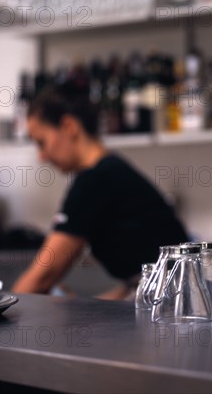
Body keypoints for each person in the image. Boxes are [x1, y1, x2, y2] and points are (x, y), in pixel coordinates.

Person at [11, 85, 190, 299]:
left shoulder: (94, 180)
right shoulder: (110, 169)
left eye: (42, 142)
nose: (41, 156)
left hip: (175, 304)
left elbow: (42, 276)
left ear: (69, 126)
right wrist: (83, 307)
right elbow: (138, 283)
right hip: (175, 297)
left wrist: (2, 310)